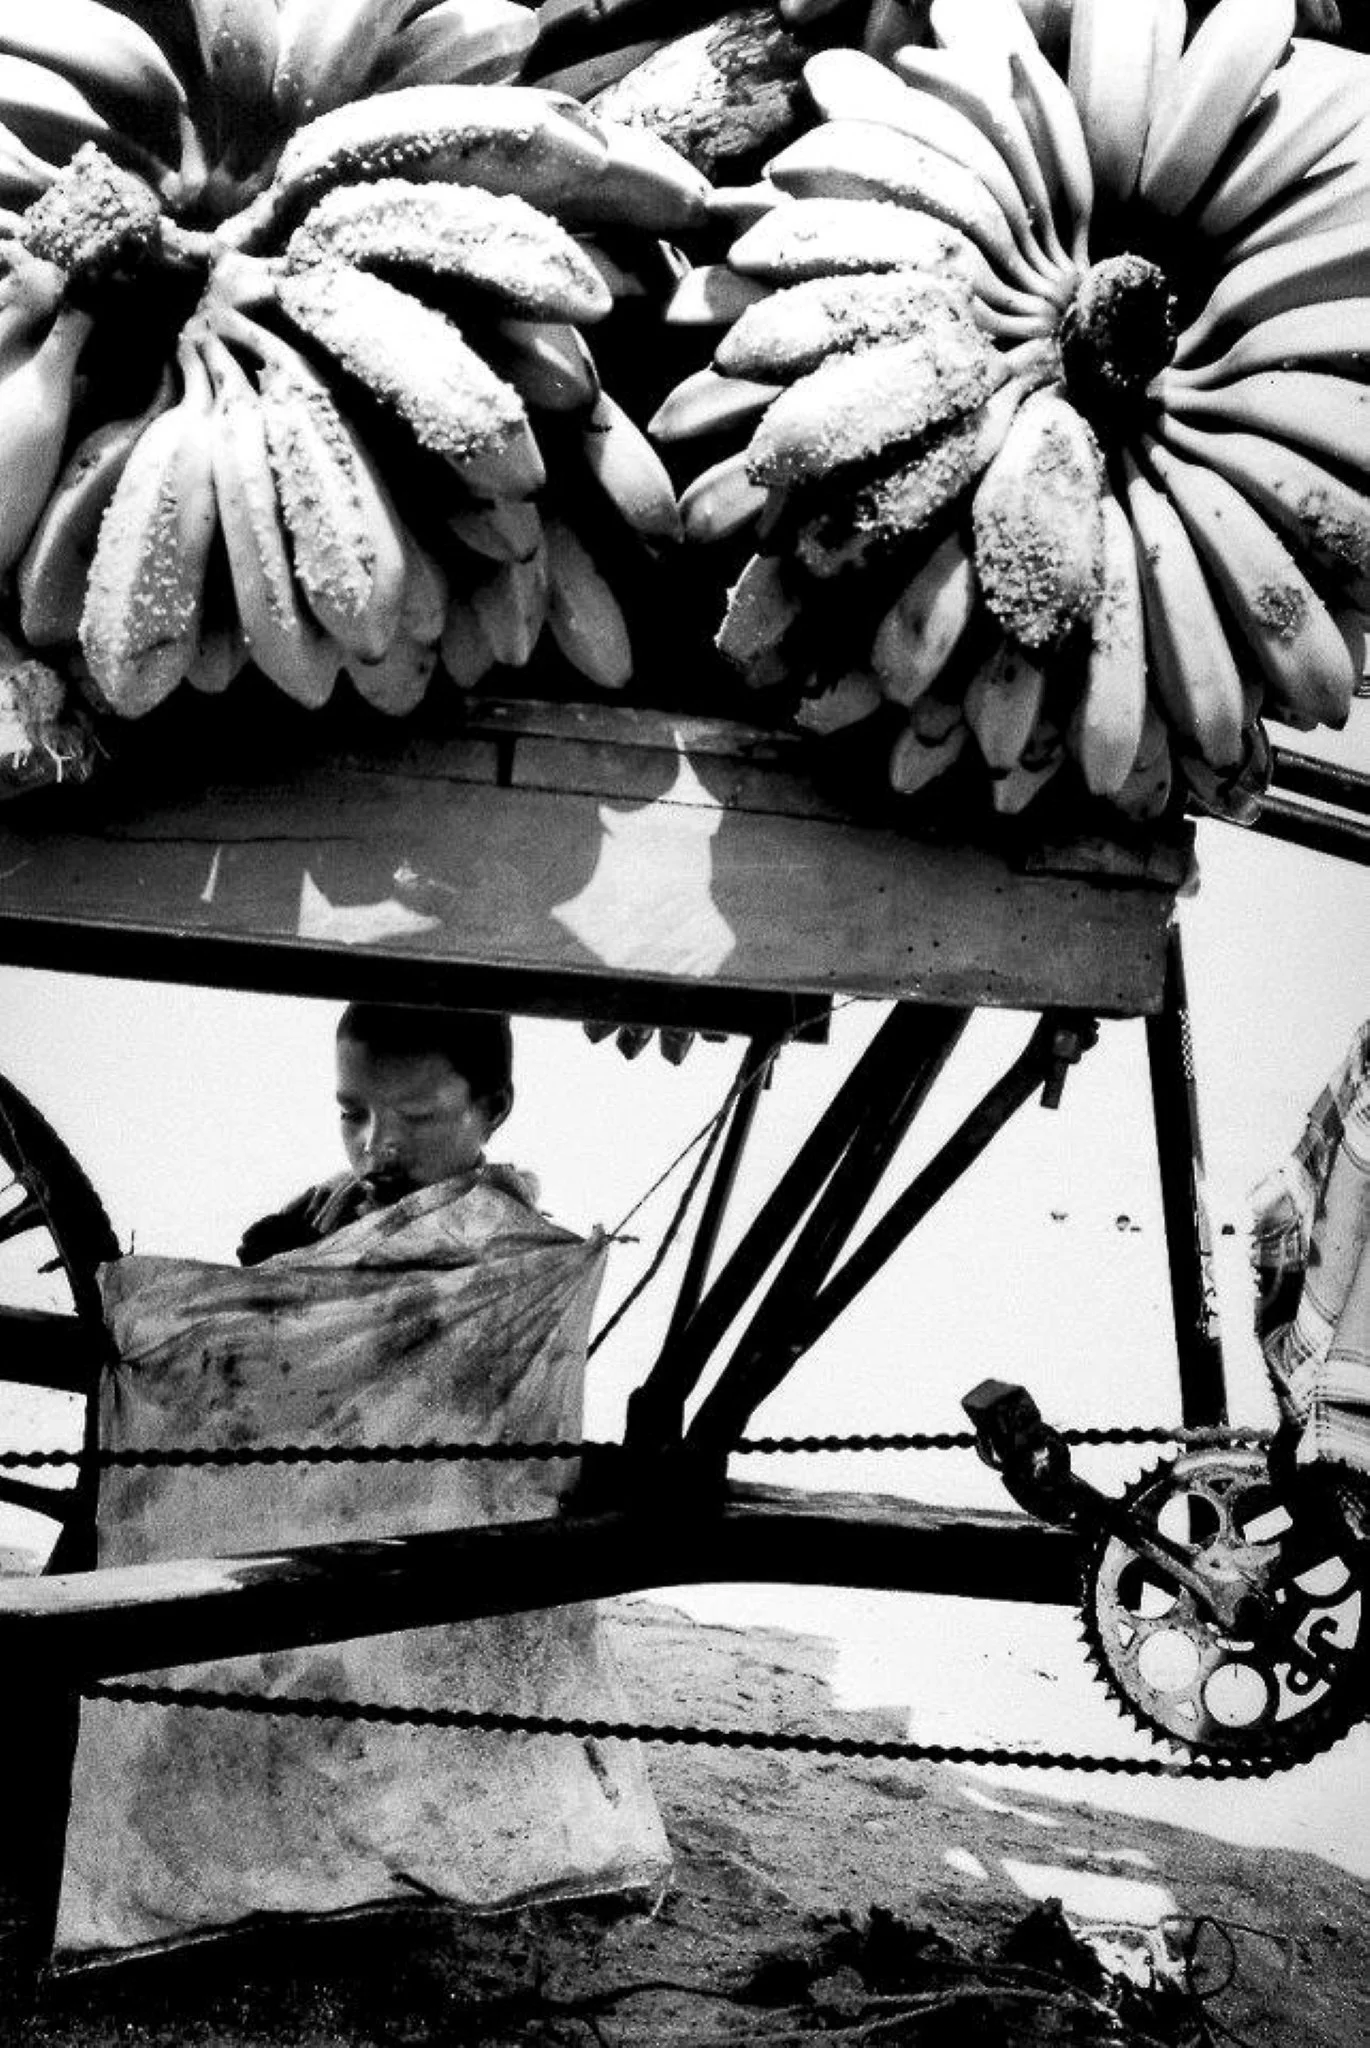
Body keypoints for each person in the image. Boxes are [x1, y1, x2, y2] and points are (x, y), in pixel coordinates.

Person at [237, 1000, 515, 1264]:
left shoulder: (533, 1266)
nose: (375, 1144)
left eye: (414, 1116)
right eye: (352, 1115)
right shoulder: (316, 1214)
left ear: (494, 1109)